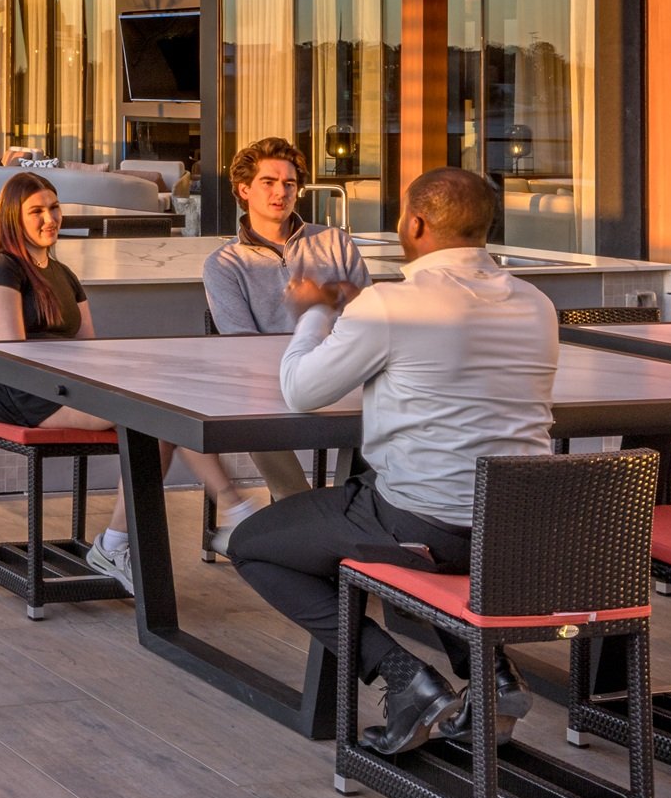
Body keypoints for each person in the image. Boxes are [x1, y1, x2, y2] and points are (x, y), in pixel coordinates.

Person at [226, 167, 560, 758]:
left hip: (430, 527)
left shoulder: (393, 304)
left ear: (416, 224)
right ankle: (495, 676)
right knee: (395, 497)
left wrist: (314, 311)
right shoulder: (537, 304)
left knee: (253, 545)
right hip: (521, 529)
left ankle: (404, 677)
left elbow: (301, 390)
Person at [0, 169, 263, 595]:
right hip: (24, 393)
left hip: (64, 386)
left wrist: (132, 370)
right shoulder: (1, 267)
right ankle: (232, 508)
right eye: (36, 211)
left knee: (162, 414)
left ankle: (116, 543)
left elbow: (89, 346)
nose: (50, 218)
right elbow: (16, 352)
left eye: (54, 208)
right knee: (155, 412)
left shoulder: (62, 273)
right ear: (13, 217)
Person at [203, 137, 370, 337]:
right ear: (244, 189)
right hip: (268, 358)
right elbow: (243, 342)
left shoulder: (336, 243)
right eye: (268, 182)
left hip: (343, 356)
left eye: (289, 184)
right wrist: (319, 312)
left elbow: (372, 320)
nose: (281, 192)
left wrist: (324, 302)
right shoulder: (224, 265)